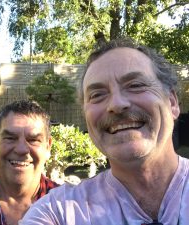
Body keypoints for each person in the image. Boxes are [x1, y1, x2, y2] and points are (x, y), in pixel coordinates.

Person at [20, 38, 189, 225]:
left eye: (135, 85)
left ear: (172, 102)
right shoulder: (57, 213)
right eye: (97, 95)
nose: (116, 104)